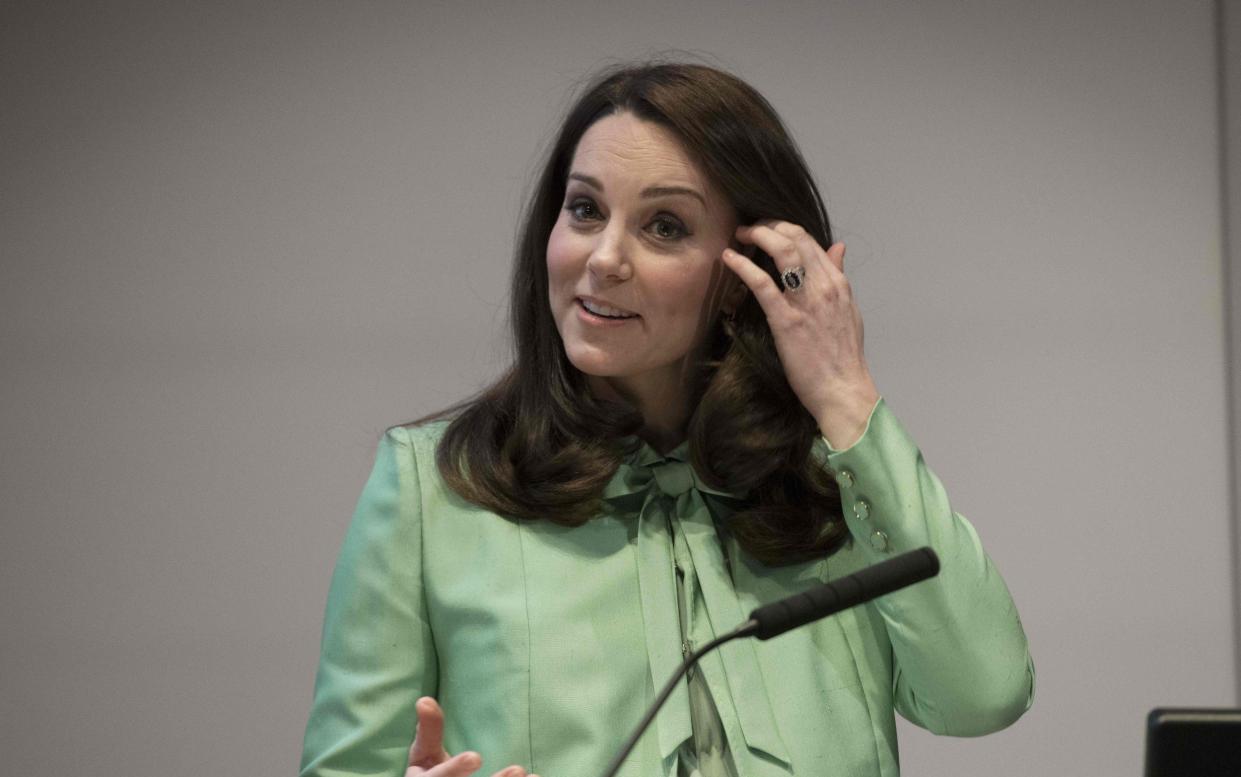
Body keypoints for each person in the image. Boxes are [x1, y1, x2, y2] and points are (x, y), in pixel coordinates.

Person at [298, 60, 1035, 777]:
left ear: (745, 268)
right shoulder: (432, 489)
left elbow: (983, 693)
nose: (603, 259)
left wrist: (844, 395)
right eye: (584, 209)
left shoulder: (835, 487)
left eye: (663, 226)